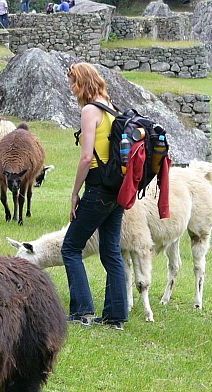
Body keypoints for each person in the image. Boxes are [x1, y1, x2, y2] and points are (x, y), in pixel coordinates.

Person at [61, 62, 127, 330]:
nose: (71, 89)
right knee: (111, 251)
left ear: (82, 83)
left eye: (73, 83)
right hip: (117, 188)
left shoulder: (90, 111)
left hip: (98, 186)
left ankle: (82, 311)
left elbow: (87, 156)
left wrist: (75, 192)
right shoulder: (112, 108)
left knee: (70, 247)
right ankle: (115, 317)